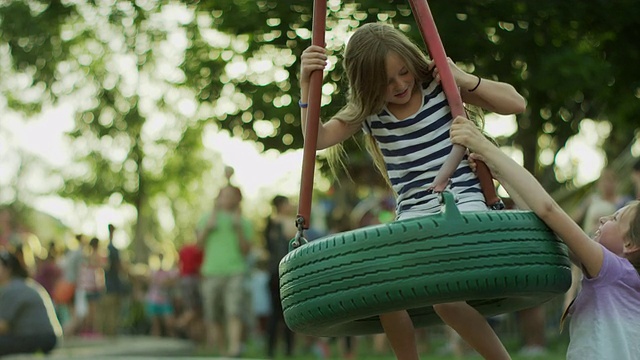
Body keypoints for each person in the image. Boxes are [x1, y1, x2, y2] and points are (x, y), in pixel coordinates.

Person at [299, 23, 525, 360]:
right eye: (387, 82)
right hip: (414, 217)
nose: (401, 85)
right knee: (385, 289)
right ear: (368, 85)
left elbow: (515, 103)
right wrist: (306, 84)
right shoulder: (369, 111)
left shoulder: (439, 85)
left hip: (463, 204)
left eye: (404, 73)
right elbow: (315, 139)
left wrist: (462, 78)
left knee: (446, 301)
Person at [450, 116, 640, 360]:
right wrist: (500, 175)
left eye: (615, 218)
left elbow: (549, 210)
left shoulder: (614, 270)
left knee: (450, 307)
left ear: (630, 245)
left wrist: (484, 146)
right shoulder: (624, 278)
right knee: (450, 308)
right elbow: (547, 222)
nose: (603, 219)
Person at [197, 185, 253, 357]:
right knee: (214, 314)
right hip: (211, 272)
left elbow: (246, 251)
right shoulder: (206, 219)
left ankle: (234, 348)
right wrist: (208, 227)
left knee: (233, 309)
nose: (227, 199)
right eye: (224, 195)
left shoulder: (244, 222)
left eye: (231, 196)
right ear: (218, 198)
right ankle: (223, 351)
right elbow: (199, 245)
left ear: (238, 199)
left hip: (235, 271)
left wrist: (238, 229)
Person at [0, 249, 62, 356]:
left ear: (7, 269)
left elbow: (3, 326)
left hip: (39, 338)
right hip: (47, 337)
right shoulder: (23, 284)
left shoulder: (12, 288)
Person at [264, 195, 297, 358]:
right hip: (281, 273)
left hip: (280, 272)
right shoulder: (278, 222)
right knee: (280, 313)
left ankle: (283, 350)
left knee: (282, 314)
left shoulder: (271, 223)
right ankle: (277, 350)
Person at [101, 224, 125, 337]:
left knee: (108, 310)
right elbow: (118, 266)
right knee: (112, 311)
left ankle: (108, 331)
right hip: (113, 284)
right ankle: (111, 332)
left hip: (107, 284)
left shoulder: (105, 249)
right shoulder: (112, 250)